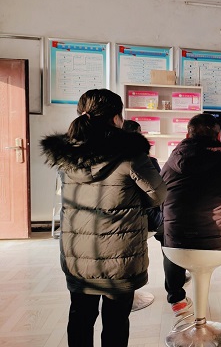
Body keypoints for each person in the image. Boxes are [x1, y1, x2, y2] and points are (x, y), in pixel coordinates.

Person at [40, 89, 167, 347]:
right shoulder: (131, 154)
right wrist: (132, 201)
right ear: (116, 118)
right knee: (116, 321)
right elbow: (158, 194)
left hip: (78, 255)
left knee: (80, 316)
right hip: (119, 256)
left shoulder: (66, 154)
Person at [161, 113, 221, 322]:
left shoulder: (170, 164)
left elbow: (159, 201)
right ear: (219, 136)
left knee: (169, 236)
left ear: (187, 135)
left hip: (178, 243)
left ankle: (177, 300)